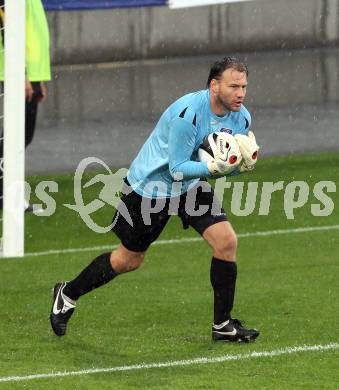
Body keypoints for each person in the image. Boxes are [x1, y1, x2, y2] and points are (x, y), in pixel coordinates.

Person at [50, 56, 260, 343]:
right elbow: (177, 169)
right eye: (234, 86)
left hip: (190, 186)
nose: (241, 94)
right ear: (214, 85)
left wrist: (239, 167)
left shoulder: (241, 117)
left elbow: (220, 167)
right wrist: (216, 169)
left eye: (244, 86)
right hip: (149, 189)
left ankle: (222, 325)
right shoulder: (189, 115)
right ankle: (67, 293)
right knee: (128, 260)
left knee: (226, 242)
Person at [0, 0, 51, 211]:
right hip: (18, 71)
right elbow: (8, 26)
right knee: (14, 138)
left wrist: (38, 75)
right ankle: (7, 194)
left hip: (30, 72)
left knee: (21, 136)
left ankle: (7, 192)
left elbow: (33, 28)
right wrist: (20, 72)